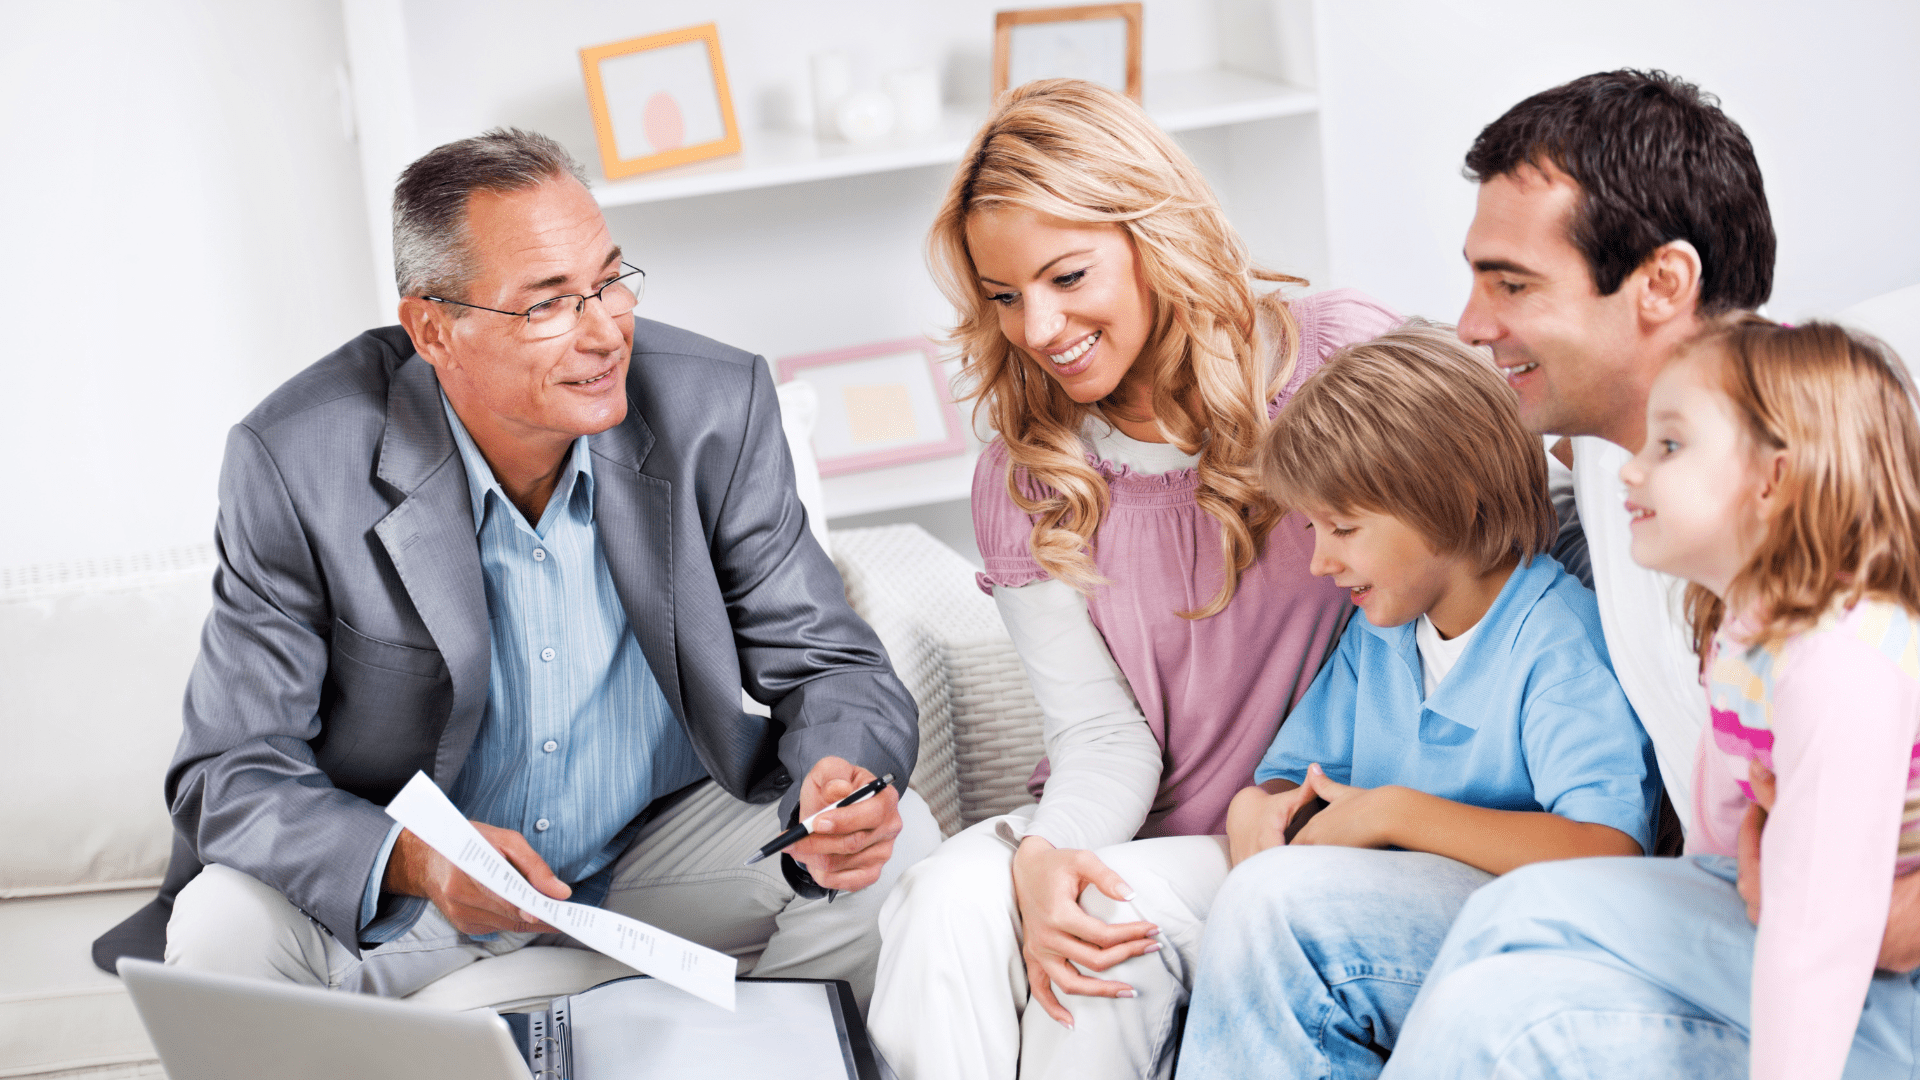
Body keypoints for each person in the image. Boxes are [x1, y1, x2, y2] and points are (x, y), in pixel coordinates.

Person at [88, 128, 940, 1006]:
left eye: (611, 280)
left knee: (899, 846)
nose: (607, 332)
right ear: (432, 329)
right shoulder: (296, 457)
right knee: (223, 926)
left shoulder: (715, 409)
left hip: (658, 863)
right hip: (425, 895)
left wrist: (841, 775)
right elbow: (230, 767)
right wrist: (417, 861)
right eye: (549, 305)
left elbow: (832, 664)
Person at [867, 80, 1400, 1080]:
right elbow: (1106, 735)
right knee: (942, 902)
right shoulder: (1025, 473)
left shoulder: (1341, 354)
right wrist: (1043, 855)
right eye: (1003, 296)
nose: (1036, 327)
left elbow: (1459, 578)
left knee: (1099, 933)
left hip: (1309, 820)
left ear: (1153, 232)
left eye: (1067, 276)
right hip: (1141, 822)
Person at [1452, 63, 1920, 982]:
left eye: (1510, 285)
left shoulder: (1857, 437)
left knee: (1518, 955)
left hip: (1861, 951)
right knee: (1293, 909)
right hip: (1725, 907)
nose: (1470, 323)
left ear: (1662, 282)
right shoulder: (1594, 444)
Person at [1387, 319, 1920, 1080]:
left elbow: (1820, 939)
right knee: (1509, 909)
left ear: (1773, 480)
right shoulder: (1743, 626)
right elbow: (1722, 819)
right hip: (1766, 912)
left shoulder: (1842, 664)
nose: (1630, 471)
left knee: (1512, 1009)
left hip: (1881, 989)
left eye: (1668, 447)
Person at [1170, 321, 1658, 1078]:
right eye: (1313, 528)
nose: (1322, 561)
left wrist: (1396, 812)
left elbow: (1609, 849)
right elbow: (1292, 776)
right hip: (1404, 926)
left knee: (1272, 909)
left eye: (1344, 528)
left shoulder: (1556, 642)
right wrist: (1254, 806)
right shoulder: (1381, 637)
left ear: (1450, 501)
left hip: (1531, 938)